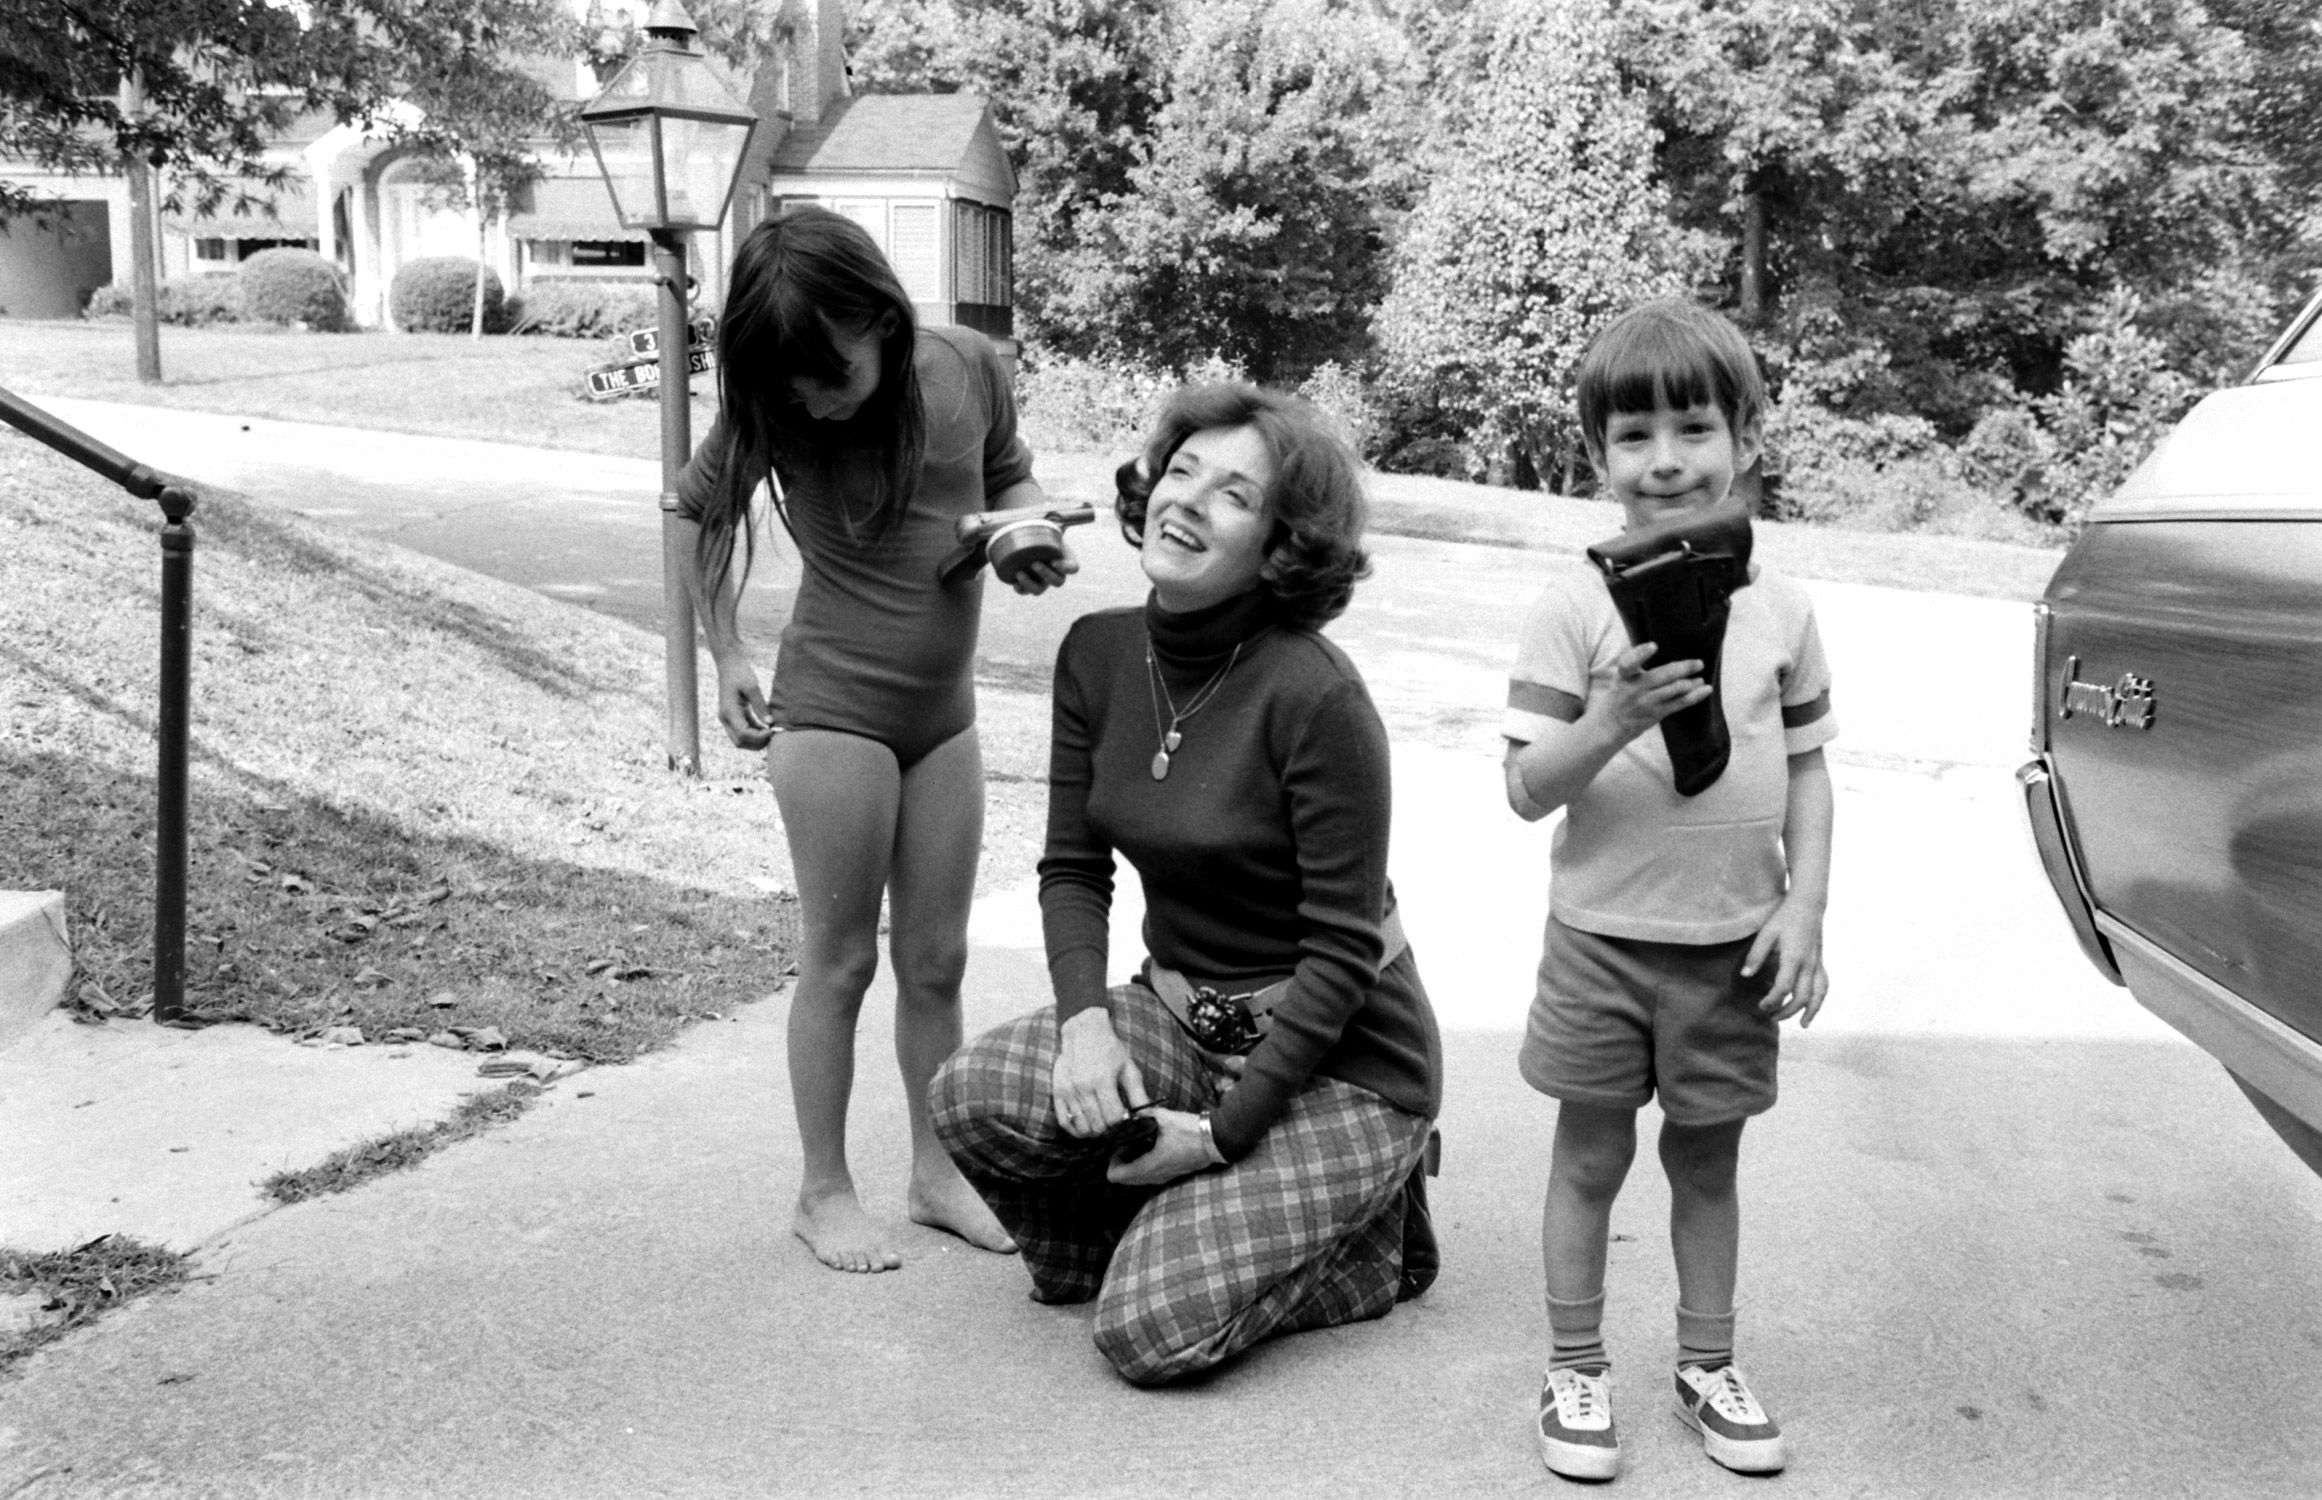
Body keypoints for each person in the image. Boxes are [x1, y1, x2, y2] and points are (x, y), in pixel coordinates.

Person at [929, 383, 1443, 1386]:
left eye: (1235, 495)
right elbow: (1073, 868)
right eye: (1181, 471)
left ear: (1283, 544)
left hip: (1345, 1064)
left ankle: (1379, 1245)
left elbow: (1343, 952)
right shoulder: (1098, 653)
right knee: (974, 1098)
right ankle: (1173, 1237)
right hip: (1181, 1020)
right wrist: (1085, 1025)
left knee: (1149, 1332)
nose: (1188, 502)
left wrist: (1217, 1140)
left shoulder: (1317, 696)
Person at [672, 205, 1073, 1274]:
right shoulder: (778, 406)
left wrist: (1022, 534)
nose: (810, 399)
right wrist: (726, 652)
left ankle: (938, 1175)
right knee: (842, 961)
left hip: (945, 720)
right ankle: (823, 1190)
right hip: (834, 717)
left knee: (936, 961)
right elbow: (694, 511)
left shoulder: (966, 368)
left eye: (829, 372)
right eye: (788, 386)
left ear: (883, 321)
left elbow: (1009, 477)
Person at [1502, 299, 1837, 1479]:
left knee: (1706, 1163)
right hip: (1601, 941)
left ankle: (1706, 1365)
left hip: (1731, 946)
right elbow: (1526, 788)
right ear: (1598, 455)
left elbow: (1808, 769)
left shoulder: (1784, 609)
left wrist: (1805, 906)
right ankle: (1575, 1368)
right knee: (1590, 1159)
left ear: (1745, 437)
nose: (1666, 460)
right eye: (1634, 435)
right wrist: (1610, 720)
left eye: (1694, 428)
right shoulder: (1574, 606)